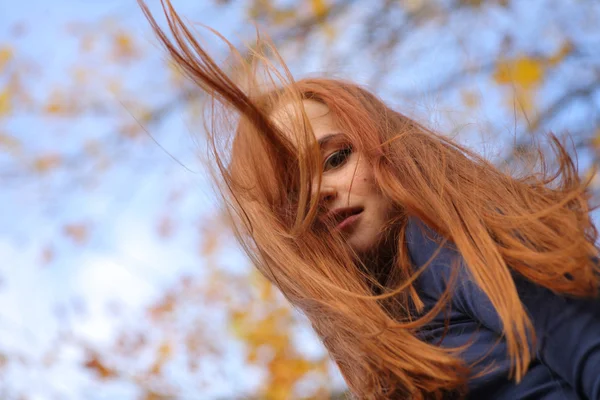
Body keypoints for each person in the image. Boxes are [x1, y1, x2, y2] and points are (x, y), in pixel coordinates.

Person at [140, 1, 600, 398]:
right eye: (292, 195)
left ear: (387, 146)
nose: (319, 194)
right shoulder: (394, 319)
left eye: (336, 158)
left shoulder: (442, 238)